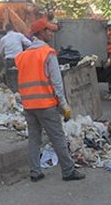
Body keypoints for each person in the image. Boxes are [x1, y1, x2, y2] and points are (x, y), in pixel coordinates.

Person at [15, 18, 86, 182]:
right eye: (49, 31)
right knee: (58, 137)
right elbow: (56, 82)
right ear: (41, 33)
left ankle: (35, 171)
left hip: (28, 105)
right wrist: (64, 105)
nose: (52, 34)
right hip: (45, 104)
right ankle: (68, 171)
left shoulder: (23, 56)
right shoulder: (47, 53)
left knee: (34, 139)